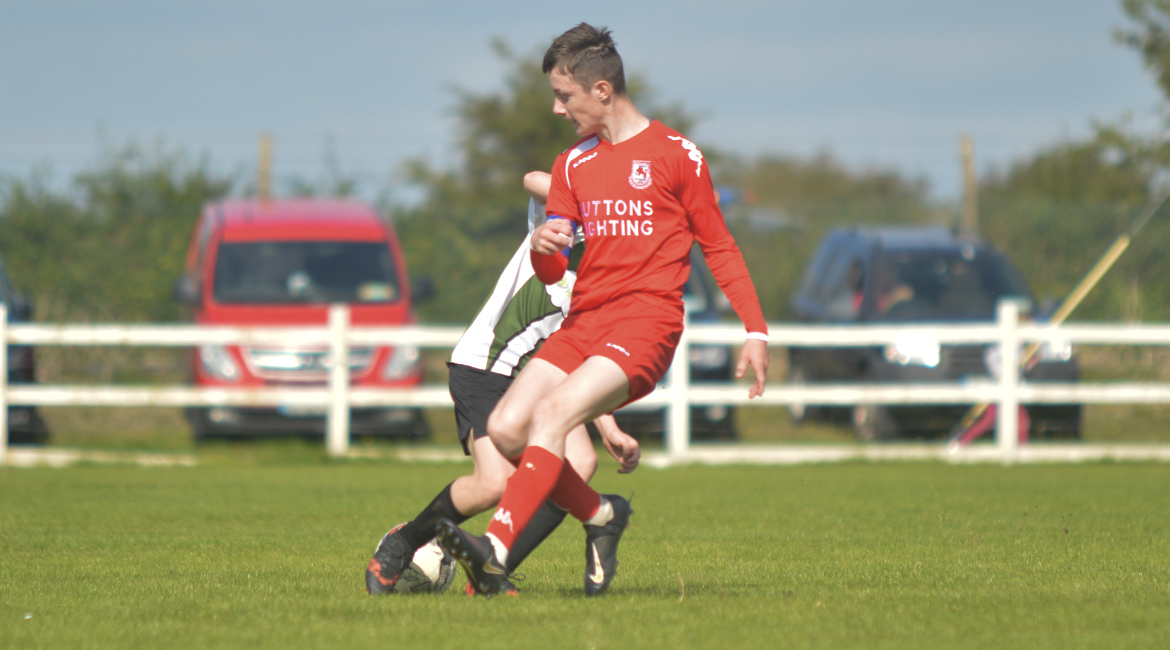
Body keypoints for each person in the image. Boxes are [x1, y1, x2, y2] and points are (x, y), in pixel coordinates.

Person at [435, 23, 770, 598]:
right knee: (507, 428)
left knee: (552, 416)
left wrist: (755, 330)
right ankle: (601, 516)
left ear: (602, 92)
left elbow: (717, 244)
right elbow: (555, 274)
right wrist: (545, 250)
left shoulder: (676, 155)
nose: (557, 108)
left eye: (564, 96)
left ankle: (493, 549)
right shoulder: (570, 167)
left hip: (646, 324)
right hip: (584, 323)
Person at [365, 171, 639, 598]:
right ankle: (404, 541)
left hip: (538, 380)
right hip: (484, 367)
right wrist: (605, 199)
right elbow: (532, 179)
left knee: (581, 465)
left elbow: (584, 358)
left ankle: (492, 569)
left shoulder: (614, 278)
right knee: (493, 483)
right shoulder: (565, 224)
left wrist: (610, 428)